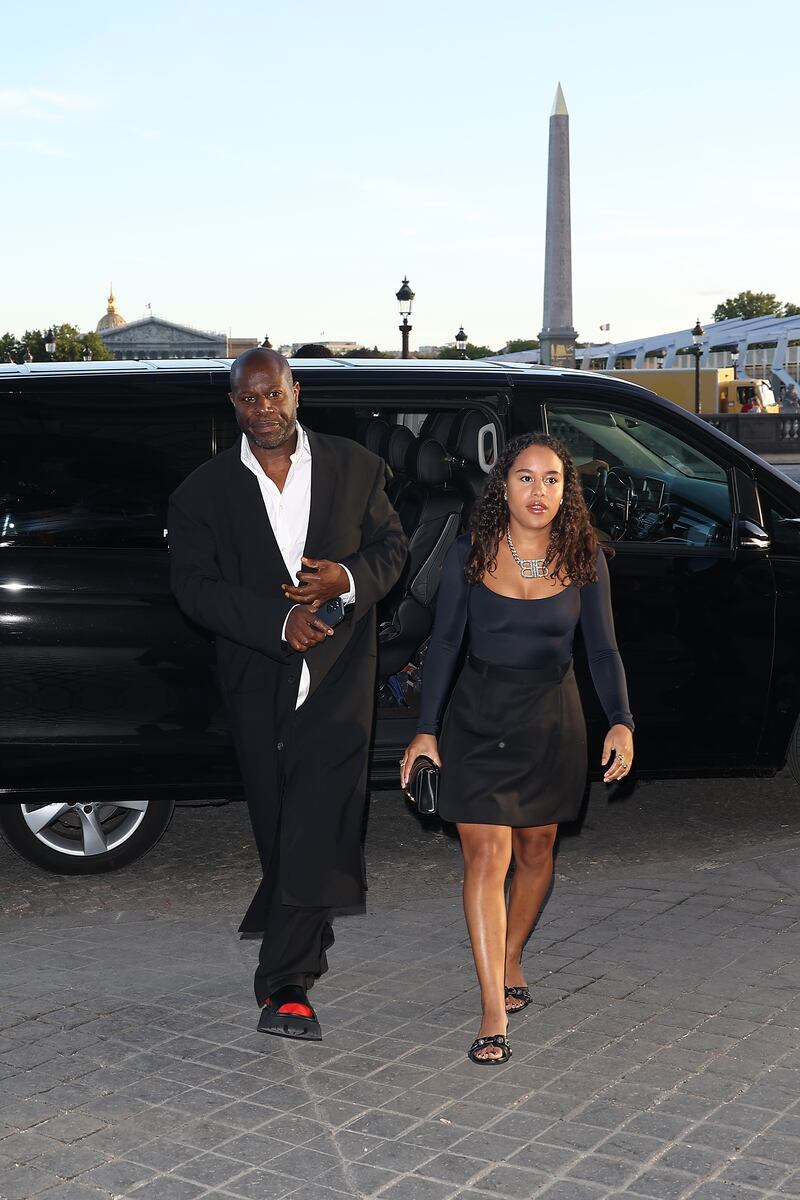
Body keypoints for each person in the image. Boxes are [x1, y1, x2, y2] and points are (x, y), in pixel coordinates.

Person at [169, 348, 407, 1039]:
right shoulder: (202, 493)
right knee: (281, 825)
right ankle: (296, 936)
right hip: (256, 677)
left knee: (322, 819)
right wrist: (279, 622)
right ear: (233, 405)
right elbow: (195, 588)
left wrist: (347, 579)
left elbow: (395, 550)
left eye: (273, 395)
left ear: (295, 392)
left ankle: (286, 986)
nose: (263, 411)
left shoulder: (356, 467)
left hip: (339, 678)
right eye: (248, 400)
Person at [401, 433, 634, 1065]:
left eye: (552, 479)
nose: (539, 491)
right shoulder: (469, 553)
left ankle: (511, 954)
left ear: (567, 489)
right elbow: (444, 644)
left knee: (536, 850)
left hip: (552, 721)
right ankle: (492, 1009)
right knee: (487, 858)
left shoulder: (585, 555)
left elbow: (603, 650)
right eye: (526, 478)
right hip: (478, 717)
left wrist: (620, 720)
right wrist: (426, 729)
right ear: (503, 485)